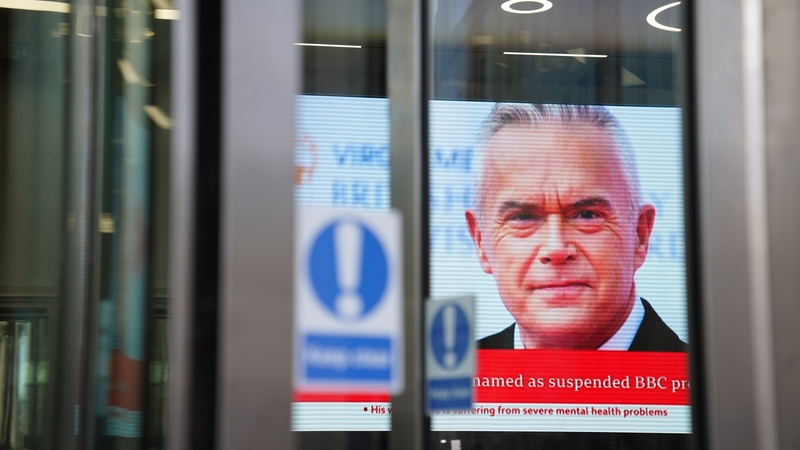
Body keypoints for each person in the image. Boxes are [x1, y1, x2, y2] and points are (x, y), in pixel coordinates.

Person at [466, 103, 687, 351]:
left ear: (640, 234)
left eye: (586, 215)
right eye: (524, 217)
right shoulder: (453, 383)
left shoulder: (710, 382)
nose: (556, 249)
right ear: (481, 240)